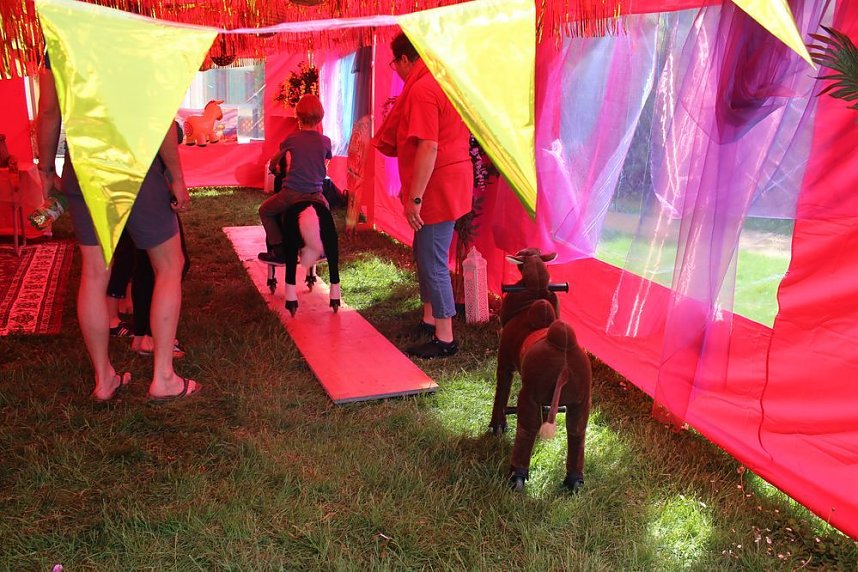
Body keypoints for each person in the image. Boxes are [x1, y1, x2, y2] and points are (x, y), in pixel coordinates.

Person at [38, 55, 200, 403]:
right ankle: (163, 378)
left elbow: (49, 112)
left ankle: (104, 379)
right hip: (134, 163)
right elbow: (159, 119)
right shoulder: (133, 35)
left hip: (84, 167)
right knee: (170, 265)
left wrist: (47, 168)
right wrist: (176, 177)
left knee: (95, 274)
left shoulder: (61, 39)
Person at [373, 32, 473, 359]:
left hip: (437, 182)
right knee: (424, 250)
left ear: (405, 59)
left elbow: (429, 145)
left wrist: (414, 198)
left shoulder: (423, 88)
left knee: (432, 258)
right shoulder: (442, 81)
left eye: (394, 63)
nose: (396, 70)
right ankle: (430, 320)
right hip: (450, 177)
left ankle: (445, 338)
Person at [258, 94, 332, 264]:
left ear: (298, 116)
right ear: (320, 116)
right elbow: (327, 158)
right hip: (316, 193)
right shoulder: (325, 141)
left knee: (265, 211)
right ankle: (322, 249)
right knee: (326, 211)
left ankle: (279, 250)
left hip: (292, 193)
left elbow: (277, 158)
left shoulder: (292, 139)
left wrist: (271, 167)